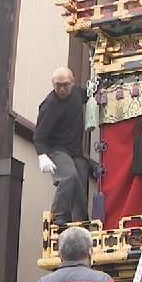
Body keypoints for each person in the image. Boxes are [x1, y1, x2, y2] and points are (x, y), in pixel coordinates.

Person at [34, 66, 90, 224]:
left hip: (75, 151)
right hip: (55, 149)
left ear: (72, 82)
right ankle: (58, 218)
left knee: (79, 184)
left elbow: (90, 93)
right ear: (53, 83)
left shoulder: (77, 94)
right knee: (68, 176)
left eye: (65, 84)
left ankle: (81, 223)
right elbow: (39, 135)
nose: (62, 89)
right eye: (58, 85)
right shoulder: (49, 105)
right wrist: (42, 156)